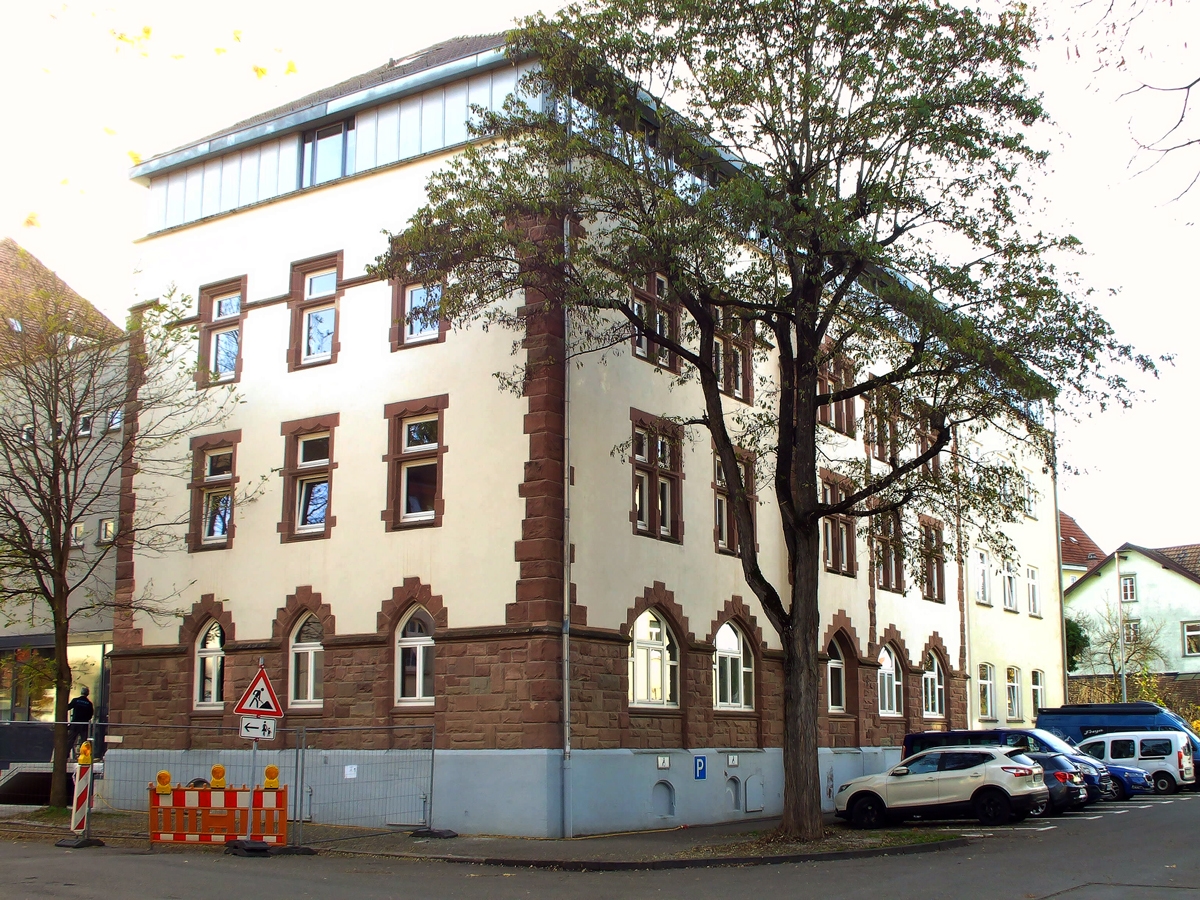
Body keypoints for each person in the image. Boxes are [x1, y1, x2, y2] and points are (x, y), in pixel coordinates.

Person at [67, 686, 94, 756]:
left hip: (75, 724)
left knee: (70, 740)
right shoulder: (89, 704)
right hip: (84, 725)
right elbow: (90, 715)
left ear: (81, 692)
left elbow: (68, 707)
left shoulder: (76, 700)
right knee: (84, 741)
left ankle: (66, 755)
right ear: (87, 693)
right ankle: (84, 756)